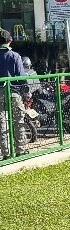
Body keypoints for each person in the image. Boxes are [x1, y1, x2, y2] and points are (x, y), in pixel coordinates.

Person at [0, 30, 29, 158]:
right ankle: (20, 150)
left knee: (2, 122)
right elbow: (21, 77)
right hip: (13, 92)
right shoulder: (15, 56)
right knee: (18, 121)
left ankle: (5, 152)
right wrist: (26, 91)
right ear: (9, 40)